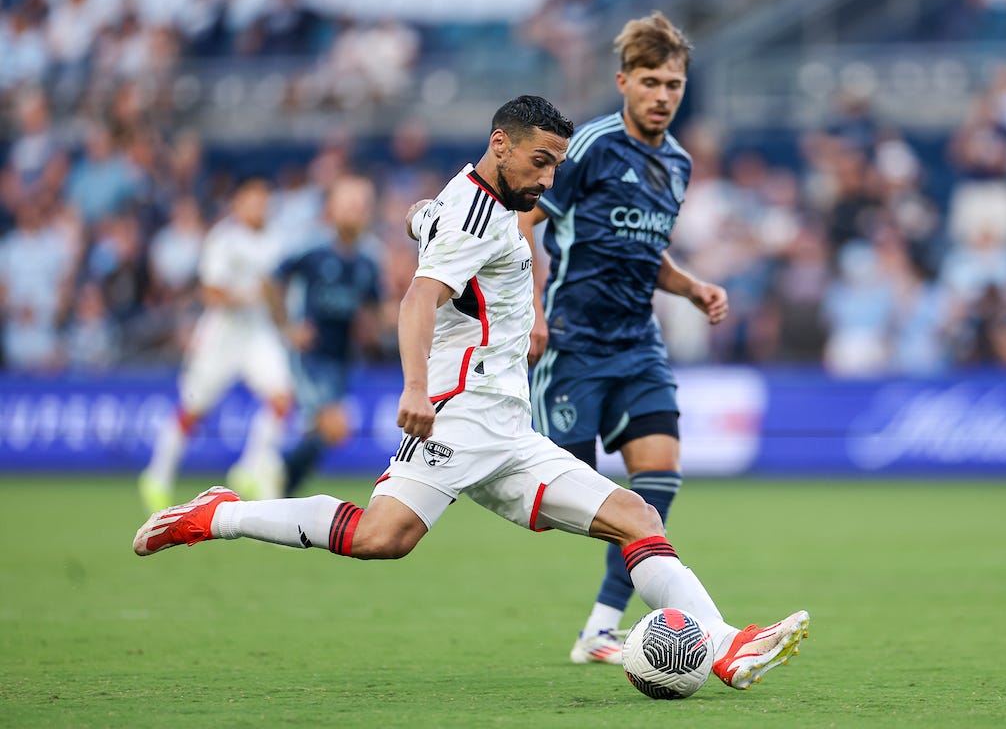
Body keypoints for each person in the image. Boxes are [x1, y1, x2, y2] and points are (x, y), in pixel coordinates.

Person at [133, 95, 808, 692]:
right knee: (380, 538)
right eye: (539, 163)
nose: (547, 180)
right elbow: (417, 298)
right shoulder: (471, 219)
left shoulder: (476, 197)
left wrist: (499, 287)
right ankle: (217, 515)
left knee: (636, 516)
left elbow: (439, 224)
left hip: (506, 426)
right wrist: (417, 388)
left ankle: (722, 647)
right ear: (499, 146)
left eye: (555, 167)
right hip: (455, 417)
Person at [516, 13, 730, 665]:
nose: (663, 95)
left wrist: (691, 287)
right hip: (574, 342)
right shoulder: (589, 148)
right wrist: (530, 310)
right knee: (566, 495)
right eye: (650, 81)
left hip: (638, 343)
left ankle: (601, 629)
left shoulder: (679, 163)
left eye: (674, 83)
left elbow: (645, 252)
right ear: (623, 82)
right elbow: (523, 222)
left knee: (657, 480)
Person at [138, 177, 293, 513]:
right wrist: (249, 295)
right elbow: (209, 292)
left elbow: (277, 294)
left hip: (258, 334)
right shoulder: (224, 240)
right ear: (237, 203)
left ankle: (250, 467)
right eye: (252, 200)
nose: (258, 206)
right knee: (193, 409)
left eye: (263, 200)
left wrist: (286, 325)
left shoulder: (277, 241)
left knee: (282, 400)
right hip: (222, 335)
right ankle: (157, 477)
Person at [271, 174, 383, 495]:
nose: (356, 211)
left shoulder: (370, 257)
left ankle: (280, 489)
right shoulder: (312, 248)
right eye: (349, 204)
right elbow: (271, 281)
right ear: (332, 208)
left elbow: (372, 308)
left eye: (362, 205)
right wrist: (288, 327)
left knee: (322, 435)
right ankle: (271, 475)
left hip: (343, 358)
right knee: (336, 426)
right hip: (310, 356)